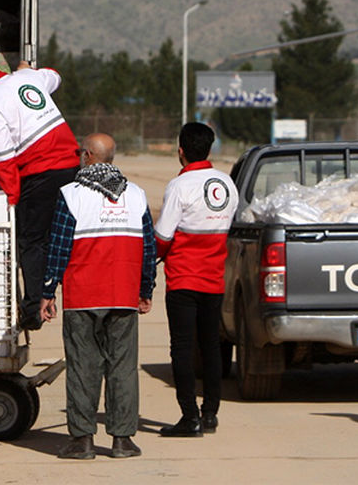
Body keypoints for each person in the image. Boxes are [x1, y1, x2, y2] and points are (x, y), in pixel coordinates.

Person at [40, 133, 156, 460]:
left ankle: (83, 440)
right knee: (122, 367)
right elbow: (148, 249)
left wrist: (48, 292)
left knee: (83, 366)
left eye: (81, 152)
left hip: (83, 295)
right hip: (123, 294)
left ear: (89, 155)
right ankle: (122, 440)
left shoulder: (71, 195)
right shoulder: (135, 195)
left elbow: (59, 247)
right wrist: (145, 289)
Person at [0, 57, 80, 330]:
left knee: (31, 240)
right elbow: (55, 76)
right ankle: (56, 295)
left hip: (40, 172)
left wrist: (12, 199)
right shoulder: (29, 78)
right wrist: (28, 71)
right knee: (61, 234)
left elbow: (3, 157)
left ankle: (33, 308)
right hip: (71, 165)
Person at [154, 122, 239, 438]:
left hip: (183, 280)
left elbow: (163, 235)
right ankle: (210, 414)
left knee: (183, 348)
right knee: (211, 347)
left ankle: (188, 416)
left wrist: (152, 258)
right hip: (214, 279)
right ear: (210, 149)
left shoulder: (180, 186)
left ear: (180, 151)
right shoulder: (227, 184)